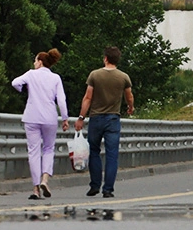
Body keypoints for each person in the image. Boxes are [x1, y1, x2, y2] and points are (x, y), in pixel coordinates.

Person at [76, 46, 133, 198]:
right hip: (113, 119)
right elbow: (129, 96)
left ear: (106, 58)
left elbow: (87, 98)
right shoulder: (123, 77)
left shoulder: (95, 75)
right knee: (112, 154)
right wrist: (130, 107)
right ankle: (108, 189)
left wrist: (81, 117)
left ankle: (94, 185)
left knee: (94, 151)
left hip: (96, 118)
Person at [12, 48, 69, 200]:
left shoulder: (31, 74)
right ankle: (45, 179)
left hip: (31, 116)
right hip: (49, 117)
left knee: (34, 151)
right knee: (49, 149)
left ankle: (36, 188)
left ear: (40, 62)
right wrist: (65, 119)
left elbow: (15, 83)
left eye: (35, 60)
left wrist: (24, 89)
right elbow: (61, 100)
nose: (34, 63)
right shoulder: (56, 78)